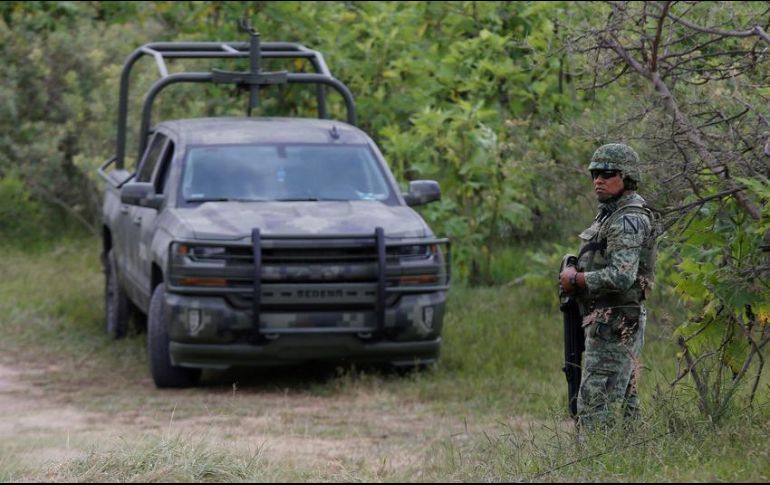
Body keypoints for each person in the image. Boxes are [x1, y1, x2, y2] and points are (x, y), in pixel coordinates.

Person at [559, 143, 657, 429]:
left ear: (626, 177)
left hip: (615, 321)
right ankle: (629, 459)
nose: (598, 180)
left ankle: (596, 464)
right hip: (607, 318)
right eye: (594, 174)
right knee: (625, 401)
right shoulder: (611, 213)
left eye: (607, 173)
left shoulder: (628, 218)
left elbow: (621, 276)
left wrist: (577, 280)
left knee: (593, 404)